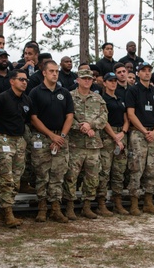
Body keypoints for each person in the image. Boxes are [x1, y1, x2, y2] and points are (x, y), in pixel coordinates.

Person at [28, 59, 74, 223]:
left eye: (57, 71)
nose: (55, 74)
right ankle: (42, 208)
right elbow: (33, 118)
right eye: (52, 71)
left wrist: (60, 136)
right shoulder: (35, 92)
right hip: (42, 138)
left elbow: (70, 116)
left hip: (60, 139)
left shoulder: (65, 93)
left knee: (58, 174)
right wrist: (50, 135)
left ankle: (55, 208)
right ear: (44, 73)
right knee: (42, 174)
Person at [0, 69, 31, 227]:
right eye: (21, 79)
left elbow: (25, 121)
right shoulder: (1, 99)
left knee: (16, 179)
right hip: (3, 139)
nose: (24, 82)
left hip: (19, 141)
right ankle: (8, 213)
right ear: (12, 81)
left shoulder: (26, 100)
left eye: (26, 80)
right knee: (5, 178)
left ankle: (3, 211)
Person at [64, 67, 107, 220]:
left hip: (93, 145)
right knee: (71, 177)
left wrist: (91, 125)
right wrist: (81, 127)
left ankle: (86, 206)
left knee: (93, 177)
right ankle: (70, 206)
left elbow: (103, 117)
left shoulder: (98, 98)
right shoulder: (69, 96)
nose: (87, 81)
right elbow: (67, 116)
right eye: (84, 78)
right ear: (78, 80)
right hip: (75, 144)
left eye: (90, 78)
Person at [125, 62, 154, 215]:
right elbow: (130, 114)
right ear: (138, 73)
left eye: (149, 70)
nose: (147, 73)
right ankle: (134, 203)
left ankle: (148, 202)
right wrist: (144, 131)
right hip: (138, 134)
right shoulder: (133, 91)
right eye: (143, 71)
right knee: (137, 168)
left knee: (153, 168)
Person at [98, 72, 129, 215]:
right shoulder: (102, 99)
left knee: (119, 171)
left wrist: (123, 132)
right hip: (107, 137)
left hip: (120, 135)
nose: (113, 83)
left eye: (115, 81)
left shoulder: (120, 99)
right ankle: (102, 203)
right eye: (110, 81)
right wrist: (115, 137)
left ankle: (117, 202)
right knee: (104, 171)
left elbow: (126, 118)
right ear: (104, 83)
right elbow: (103, 121)